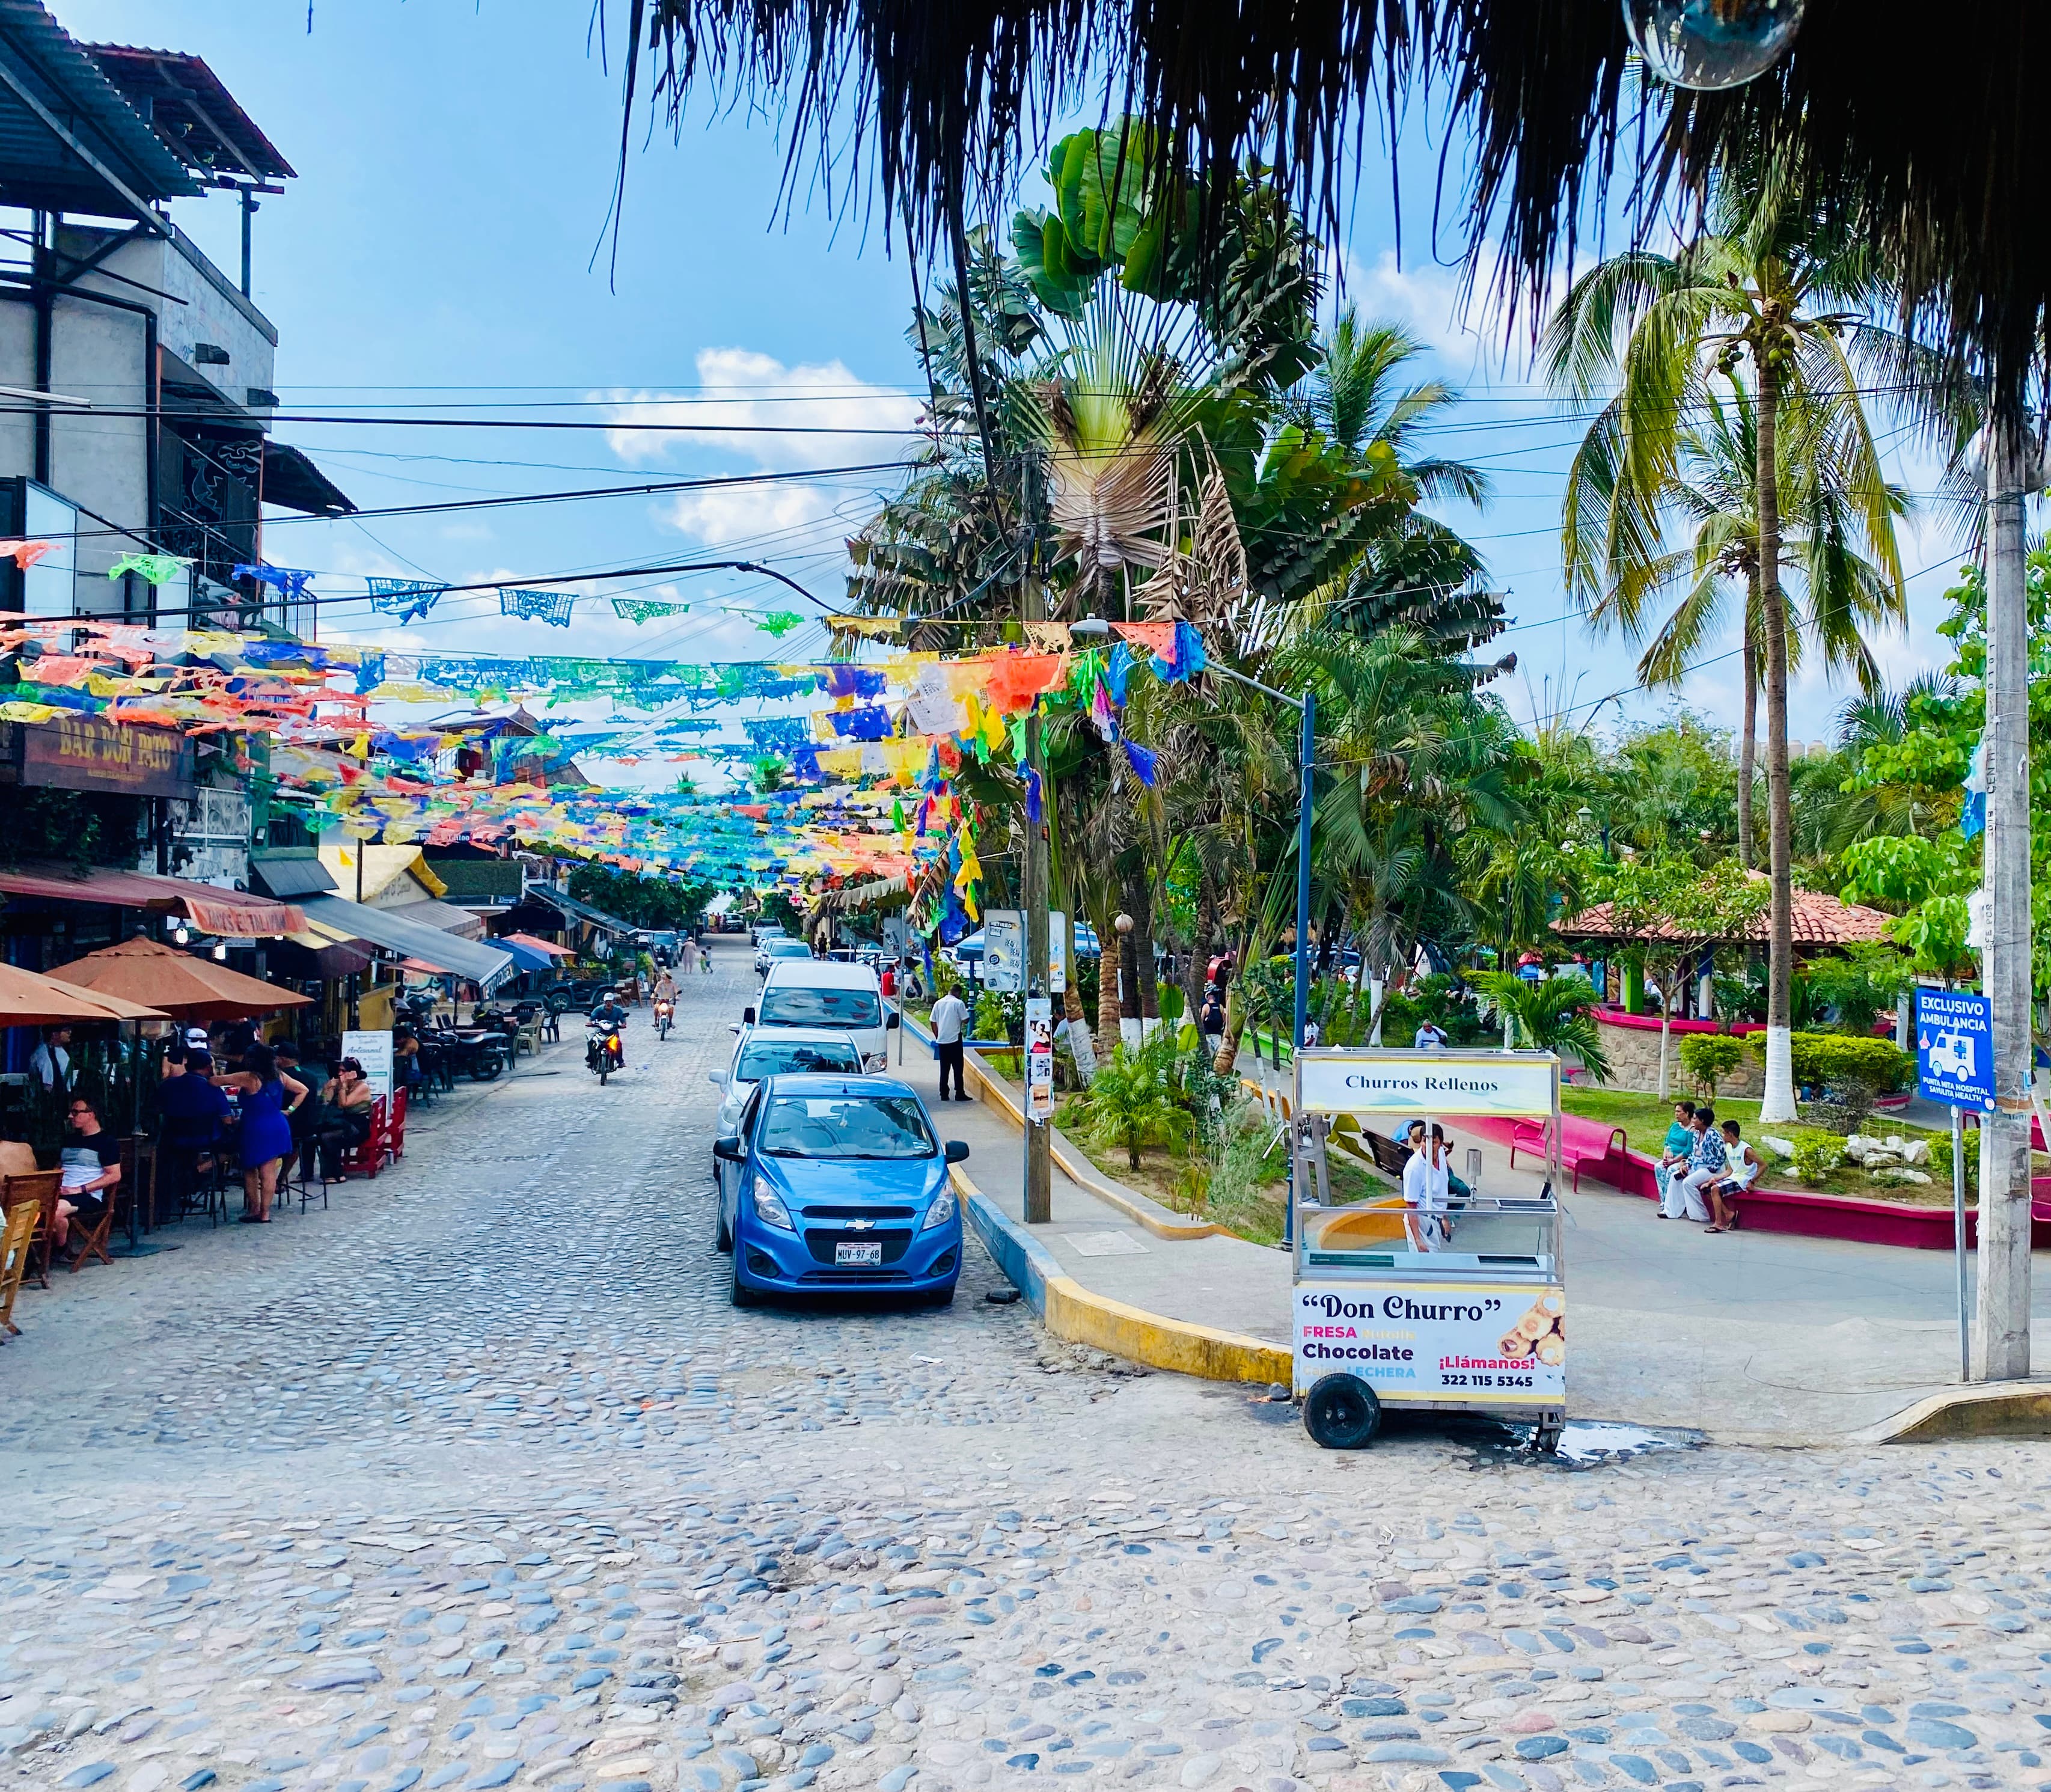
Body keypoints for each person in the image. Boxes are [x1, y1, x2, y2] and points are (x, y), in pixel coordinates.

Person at [213, 1042, 307, 1224]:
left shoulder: (248, 1077)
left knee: (250, 1169)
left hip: (255, 1127)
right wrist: (289, 1110)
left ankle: (254, 1209)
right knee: (269, 1172)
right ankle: (266, 1213)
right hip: (278, 1125)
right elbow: (303, 1090)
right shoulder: (280, 1076)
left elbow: (215, 1081)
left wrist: (212, 1065)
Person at [157, 1042, 232, 1217]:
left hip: (175, 1138)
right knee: (236, 1145)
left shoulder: (168, 1086)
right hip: (207, 1139)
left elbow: (158, 1109)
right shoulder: (213, 1089)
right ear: (208, 1068)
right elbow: (227, 1120)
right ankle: (199, 1170)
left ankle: (191, 1175)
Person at [50, 1095, 121, 1259]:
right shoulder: (69, 1140)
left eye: (76, 1112)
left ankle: (58, 1249)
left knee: (55, 1211)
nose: (70, 1116)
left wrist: (80, 1189)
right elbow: (59, 1166)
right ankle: (53, 1248)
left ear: (91, 1114)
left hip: (87, 1195)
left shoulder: (107, 1142)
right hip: (60, 1191)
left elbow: (114, 1176)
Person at [309, 1057, 377, 1182]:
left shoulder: (362, 1087)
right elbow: (325, 1102)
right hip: (342, 1124)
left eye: (344, 1071)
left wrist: (343, 1087)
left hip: (358, 1127)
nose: (340, 1074)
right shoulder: (339, 1084)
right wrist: (327, 1088)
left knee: (327, 1137)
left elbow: (343, 1104)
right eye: (339, 1071)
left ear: (353, 1073)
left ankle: (334, 1174)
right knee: (318, 1134)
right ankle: (328, 1174)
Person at [1664, 1104, 1725, 1225]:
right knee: (1675, 1177)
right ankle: (1671, 1211)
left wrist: (1714, 1167)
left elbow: (1722, 1152)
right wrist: (1687, 1165)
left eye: (1695, 1119)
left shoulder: (1713, 1134)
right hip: (1696, 1166)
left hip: (1709, 1169)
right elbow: (1693, 1153)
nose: (1693, 1121)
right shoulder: (1696, 1134)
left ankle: (1700, 1215)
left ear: (1702, 1121)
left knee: (1688, 1183)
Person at [1401, 1119, 1451, 1250]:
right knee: (1424, 1260)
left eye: (1433, 1142)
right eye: (1425, 1141)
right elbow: (1411, 1206)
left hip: (1436, 1221)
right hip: (1421, 1223)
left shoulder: (1441, 1154)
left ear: (1440, 1144)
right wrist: (1418, 1241)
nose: (1428, 1146)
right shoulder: (1414, 1168)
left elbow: (1442, 1191)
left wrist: (1445, 1217)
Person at [1707, 1119, 1761, 1234]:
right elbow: (1730, 1170)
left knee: (1715, 1189)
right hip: (1734, 1177)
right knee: (1707, 1188)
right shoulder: (1728, 1147)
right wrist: (1715, 1179)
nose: (1722, 1136)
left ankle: (1718, 1223)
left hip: (1743, 1179)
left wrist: (1752, 1181)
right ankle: (1728, 1214)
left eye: (1724, 1133)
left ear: (1730, 1134)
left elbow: (1763, 1165)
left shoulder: (1746, 1150)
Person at [1654, 1099, 1698, 1216]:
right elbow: (1667, 1142)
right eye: (1676, 1112)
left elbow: (1688, 1150)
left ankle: (1670, 1204)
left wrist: (1673, 1161)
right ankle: (1664, 1201)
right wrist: (1666, 1155)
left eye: (1679, 1112)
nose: (1676, 1114)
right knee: (1659, 1167)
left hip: (1682, 1159)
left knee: (1671, 1170)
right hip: (1670, 1158)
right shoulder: (1675, 1126)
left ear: (1687, 1114)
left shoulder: (1692, 1130)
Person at [931, 984, 969, 1102]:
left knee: (944, 1068)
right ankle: (959, 1093)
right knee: (958, 1068)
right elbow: (966, 1020)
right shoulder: (958, 1003)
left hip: (942, 1040)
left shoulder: (938, 1003)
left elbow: (933, 1021)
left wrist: (938, 1036)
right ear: (958, 993)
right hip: (955, 1040)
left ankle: (944, 1094)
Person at [28, 1025, 73, 1093]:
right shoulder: (44, 1054)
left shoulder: (61, 1051)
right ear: (54, 1034)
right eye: (65, 1030)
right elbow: (48, 1086)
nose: (69, 1032)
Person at [1199, 986, 1226, 1055]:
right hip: (1217, 1034)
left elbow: (1201, 1020)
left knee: (1209, 1054)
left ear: (1208, 996)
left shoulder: (1206, 1006)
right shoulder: (1220, 1007)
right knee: (1218, 1054)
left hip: (1207, 1034)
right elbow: (1224, 1021)